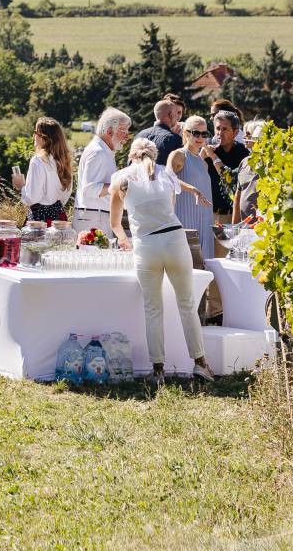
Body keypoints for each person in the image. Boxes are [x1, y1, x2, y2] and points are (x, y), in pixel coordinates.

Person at [110, 137, 215, 387]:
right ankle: (201, 364)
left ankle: (158, 369)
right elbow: (170, 207)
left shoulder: (121, 179)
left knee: (153, 309)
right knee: (187, 305)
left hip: (146, 245)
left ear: (131, 155)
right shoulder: (166, 175)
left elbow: (115, 223)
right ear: (154, 155)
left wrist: (124, 239)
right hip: (175, 241)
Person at [168, 117, 218, 260]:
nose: (200, 137)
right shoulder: (178, 155)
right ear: (186, 133)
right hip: (185, 217)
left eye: (204, 134)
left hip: (205, 219)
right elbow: (168, 178)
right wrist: (193, 190)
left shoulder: (203, 163)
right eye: (196, 133)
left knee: (205, 266)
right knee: (185, 265)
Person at [75, 108, 130, 233]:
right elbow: (89, 189)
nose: (127, 136)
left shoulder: (103, 150)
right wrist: (121, 185)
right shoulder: (98, 152)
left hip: (95, 216)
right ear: (110, 131)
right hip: (94, 218)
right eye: (124, 131)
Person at [17, 117, 74, 223]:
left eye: (35, 132)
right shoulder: (64, 161)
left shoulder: (38, 161)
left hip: (40, 219)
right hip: (59, 218)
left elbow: (32, 198)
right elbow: (65, 196)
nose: (33, 136)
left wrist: (21, 186)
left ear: (44, 137)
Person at [137, 96, 184, 165]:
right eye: (176, 113)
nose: (177, 116)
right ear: (171, 115)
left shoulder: (139, 135)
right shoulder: (175, 139)